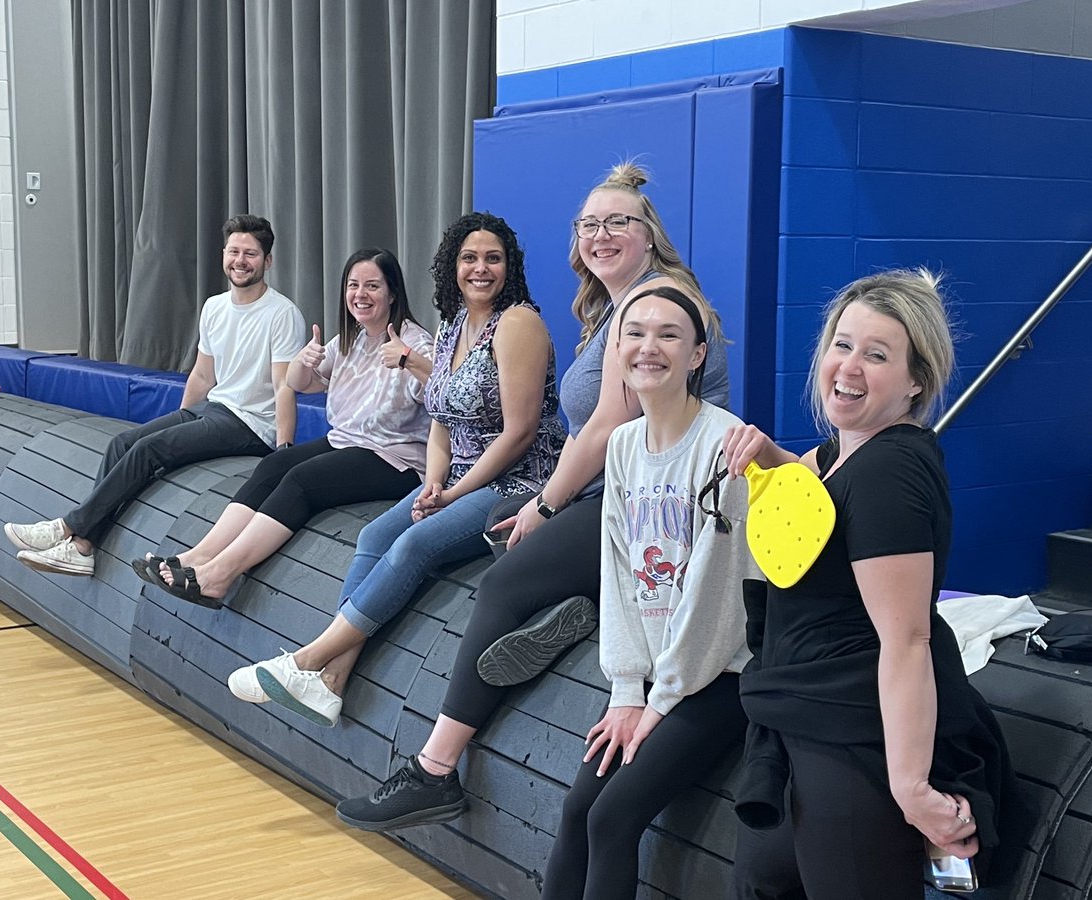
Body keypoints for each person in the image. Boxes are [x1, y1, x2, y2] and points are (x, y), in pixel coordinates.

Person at [335, 160, 730, 831]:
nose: (602, 236)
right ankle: (586, 603)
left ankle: (435, 769)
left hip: (648, 504)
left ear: (649, 234)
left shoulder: (648, 303)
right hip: (613, 492)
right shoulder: (613, 307)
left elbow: (605, 427)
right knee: (499, 535)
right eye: (590, 226)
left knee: (503, 583)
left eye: (619, 224)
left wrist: (544, 507)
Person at [724, 270, 1014, 899]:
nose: (849, 366)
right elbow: (820, 517)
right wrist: (771, 459)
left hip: (856, 741)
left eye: (877, 355)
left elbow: (905, 639)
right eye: (842, 344)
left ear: (916, 381)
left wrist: (910, 787)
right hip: (802, 721)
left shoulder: (889, 472)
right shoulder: (833, 455)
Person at [226, 212, 564, 728]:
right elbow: (440, 418)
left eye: (492, 258)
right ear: (452, 265)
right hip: (454, 476)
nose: (480, 268)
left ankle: (310, 661)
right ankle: (331, 683)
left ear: (509, 266)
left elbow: (519, 434)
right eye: (469, 258)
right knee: (375, 534)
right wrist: (434, 479)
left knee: (412, 544)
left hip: (516, 480)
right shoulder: (453, 329)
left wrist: (451, 495)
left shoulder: (518, 323)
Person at [540, 285, 758, 899]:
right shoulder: (622, 445)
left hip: (719, 677)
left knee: (613, 818)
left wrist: (656, 704)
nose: (649, 347)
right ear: (615, 349)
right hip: (655, 679)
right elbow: (619, 574)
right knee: (577, 811)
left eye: (669, 335)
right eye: (634, 333)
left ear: (696, 356)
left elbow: (716, 598)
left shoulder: (725, 444)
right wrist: (625, 690)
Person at [4, 215, 305, 577]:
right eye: (234, 251)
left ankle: (68, 528)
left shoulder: (282, 314)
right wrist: (180, 427)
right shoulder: (214, 307)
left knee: (149, 449)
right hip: (213, 410)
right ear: (223, 254)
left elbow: (283, 386)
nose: (240, 260)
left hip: (251, 425)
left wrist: (283, 450)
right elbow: (203, 374)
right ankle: (83, 547)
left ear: (267, 261)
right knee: (122, 443)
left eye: (251, 254)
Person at [134, 248, 434, 609]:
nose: (360, 295)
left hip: (395, 458)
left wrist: (409, 361)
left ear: (393, 293)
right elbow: (300, 384)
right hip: (346, 442)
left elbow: (442, 396)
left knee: (302, 480)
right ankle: (198, 556)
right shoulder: (350, 339)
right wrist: (304, 361)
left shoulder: (416, 343)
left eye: (372, 286)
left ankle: (220, 575)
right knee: (275, 464)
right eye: (353, 285)